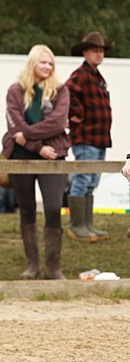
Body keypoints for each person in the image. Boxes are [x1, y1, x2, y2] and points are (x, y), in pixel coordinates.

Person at [2, 45, 70, 280]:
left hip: (55, 154)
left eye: (50, 63)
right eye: (43, 62)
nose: (47, 67)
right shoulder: (15, 90)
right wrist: (38, 147)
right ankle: (32, 265)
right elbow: (14, 126)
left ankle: (53, 268)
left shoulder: (60, 91)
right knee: (27, 208)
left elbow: (58, 123)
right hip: (23, 155)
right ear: (32, 63)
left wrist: (29, 136)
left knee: (53, 208)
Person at [64, 32, 113, 242]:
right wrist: (77, 113)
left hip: (99, 138)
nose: (99, 54)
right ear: (85, 52)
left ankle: (87, 224)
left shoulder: (97, 77)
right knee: (83, 178)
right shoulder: (81, 74)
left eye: (101, 51)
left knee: (92, 180)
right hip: (86, 137)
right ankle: (76, 226)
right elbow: (67, 93)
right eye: (95, 51)